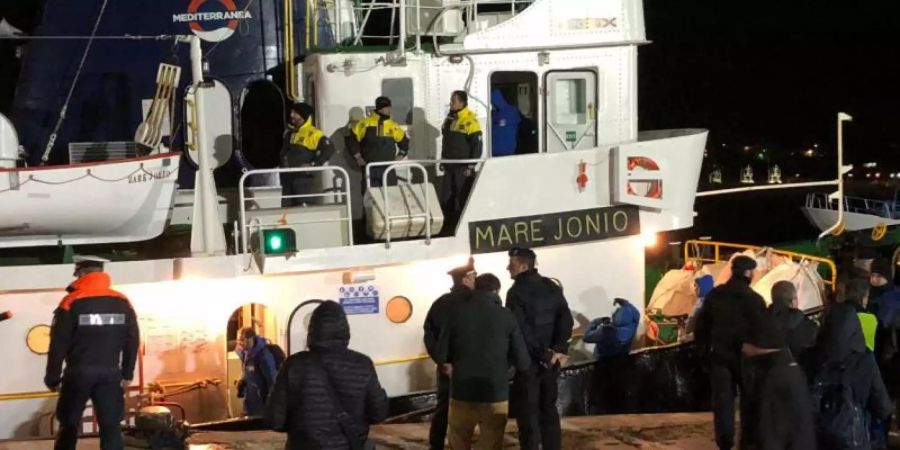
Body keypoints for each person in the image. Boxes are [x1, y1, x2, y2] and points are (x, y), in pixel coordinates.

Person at [45, 255, 140, 450]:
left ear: (81, 273)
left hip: (78, 374)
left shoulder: (71, 302)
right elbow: (132, 339)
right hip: (110, 374)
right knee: (111, 426)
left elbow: (58, 345)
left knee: (69, 424)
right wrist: (127, 372)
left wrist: (52, 378)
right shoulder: (122, 302)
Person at [266, 301, 389, 449]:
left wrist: (301, 427)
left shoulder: (293, 365)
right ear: (345, 330)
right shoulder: (362, 364)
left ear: (312, 331)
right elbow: (379, 414)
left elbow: (274, 420)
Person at [435, 273, 531, 450]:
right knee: (491, 441)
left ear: (475, 288)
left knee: (458, 439)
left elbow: (441, 353)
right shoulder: (506, 316)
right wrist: (506, 370)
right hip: (495, 393)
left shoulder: (456, 313)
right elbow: (523, 361)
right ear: (496, 291)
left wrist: (449, 365)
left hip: (461, 391)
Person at [693, 255, 766, 450]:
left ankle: (725, 443)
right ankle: (747, 442)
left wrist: (704, 353)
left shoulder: (715, 295)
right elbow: (762, 332)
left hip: (719, 357)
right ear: (748, 273)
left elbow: (700, 327)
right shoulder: (755, 300)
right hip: (745, 358)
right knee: (749, 401)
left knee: (723, 403)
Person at [505, 247, 573, 450]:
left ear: (524, 266)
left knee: (528, 416)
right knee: (549, 410)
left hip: (530, 364)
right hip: (551, 363)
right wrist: (558, 350)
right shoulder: (551, 286)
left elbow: (520, 331)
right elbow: (565, 319)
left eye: (512, 263)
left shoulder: (515, 292)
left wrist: (544, 354)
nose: (508, 267)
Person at [809, 302, 893, 450]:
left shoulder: (810, 356)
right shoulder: (864, 359)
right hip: (851, 438)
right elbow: (882, 405)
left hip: (816, 437)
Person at [740, 293, 816, 450]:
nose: (743, 348)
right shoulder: (788, 367)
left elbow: (768, 431)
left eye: (746, 343)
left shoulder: (771, 377)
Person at [424, 257, 476, 450]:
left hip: (447, 368)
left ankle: (436, 445)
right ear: (466, 280)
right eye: (474, 276)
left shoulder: (440, 303)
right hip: (473, 366)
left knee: (444, 408)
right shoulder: (476, 302)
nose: (476, 279)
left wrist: (442, 361)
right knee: (475, 409)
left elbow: (429, 334)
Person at [440, 91, 483, 232]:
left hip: (462, 167)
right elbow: (446, 142)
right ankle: (448, 225)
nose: (451, 103)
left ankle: (461, 227)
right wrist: (443, 159)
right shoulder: (450, 120)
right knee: (447, 196)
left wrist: (471, 166)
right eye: (451, 101)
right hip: (449, 165)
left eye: (453, 101)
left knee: (461, 196)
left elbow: (477, 146)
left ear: (462, 103)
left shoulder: (470, 121)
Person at [349, 96, 410, 194]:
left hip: (388, 168)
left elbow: (404, 143)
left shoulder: (393, 125)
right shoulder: (365, 123)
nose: (390, 110)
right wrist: (358, 157)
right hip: (369, 168)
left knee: (390, 195)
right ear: (381, 108)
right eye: (388, 108)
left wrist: (400, 155)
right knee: (369, 198)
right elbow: (351, 140)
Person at [280, 102, 335, 207]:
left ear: (303, 115)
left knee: (303, 208)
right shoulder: (290, 133)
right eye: (291, 112)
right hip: (287, 178)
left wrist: (313, 164)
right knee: (287, 210)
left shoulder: (313, 133)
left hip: (303, 180)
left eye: (295, 113)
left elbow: (329, 148)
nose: (291, 115)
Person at [237, 327, 278, 416]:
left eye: (241, 340)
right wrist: (242, 381)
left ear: (249, 339)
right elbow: (248, 372)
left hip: (261, 405)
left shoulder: (263, 356)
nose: (239, 343)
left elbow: (272, 380)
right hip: (250, 402)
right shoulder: (246, 353)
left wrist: (271, 405)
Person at [489, 88, 520, 157]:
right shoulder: (492, 113)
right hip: (495, 151)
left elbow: (518, 127)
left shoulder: (511, 111)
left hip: (506, 151)